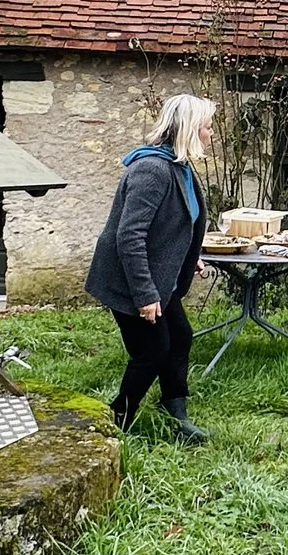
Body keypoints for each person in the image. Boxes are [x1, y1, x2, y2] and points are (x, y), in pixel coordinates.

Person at [87, 92, 216, 443]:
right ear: (190, 130)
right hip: (129, 279)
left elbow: (173, 224)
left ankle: (175, 413)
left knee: (181, 337)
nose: (211, 134)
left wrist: (190, 257)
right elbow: (130, 237)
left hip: (160, 276)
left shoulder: (179, 167)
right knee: (152, 351)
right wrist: (145, 295)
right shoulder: (151, 170)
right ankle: (117, 421)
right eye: (207, 127)